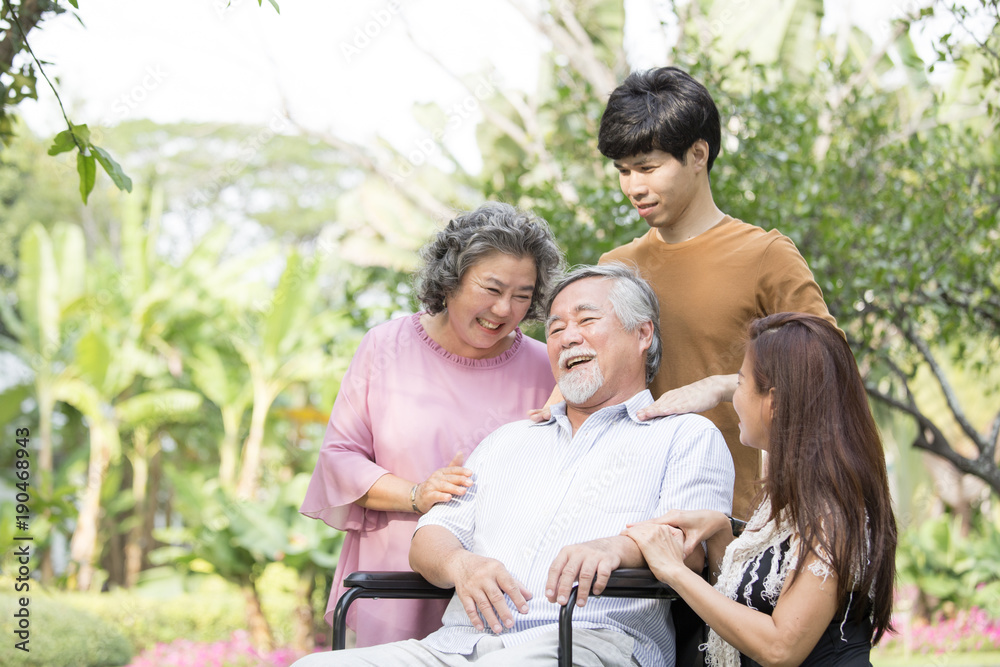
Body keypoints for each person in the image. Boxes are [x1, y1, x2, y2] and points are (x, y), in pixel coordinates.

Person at [292, 263, 734, 667]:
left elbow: (691, 549)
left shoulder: (685, 436)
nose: (567, 336)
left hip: (589, 641)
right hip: (457, 646)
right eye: (556, 328)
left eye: (586, 320)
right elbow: (430, 537)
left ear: (643, 334)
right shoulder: (507, 440)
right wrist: (460, 564)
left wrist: (615, 549)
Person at [299, 201, 563, 647]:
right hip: (396, 574)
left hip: (502, 591)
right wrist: (417, 494)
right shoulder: (385, 346)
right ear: (452, 277)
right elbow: (339, 459)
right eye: (492, 288)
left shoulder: (546, 366)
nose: (504, 309)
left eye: (522, 295)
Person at [590, 66, 838, 520]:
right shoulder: (615, 268)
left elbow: (828, 368)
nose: (633, 187)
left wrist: (724, 386)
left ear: (698, 154)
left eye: (647, 167)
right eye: (623, 171)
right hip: (634, 522)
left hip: (739, 523)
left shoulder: (765, 254)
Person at [624, 313, 897, 666]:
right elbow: (749, 603)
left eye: (740, 383)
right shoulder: (793, 496)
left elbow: (781, 647)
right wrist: (722, 530)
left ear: (775, 402)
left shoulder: (832, 513)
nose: (733, 398)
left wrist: (673, 571)